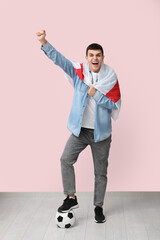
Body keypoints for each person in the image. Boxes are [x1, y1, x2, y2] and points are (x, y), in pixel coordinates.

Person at [36, 30, 121, 223]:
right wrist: (44, 42)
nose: (95, 58)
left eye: (98, 55)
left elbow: (113, 104)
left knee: (100, 173)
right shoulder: (79, 73)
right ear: (87, 58)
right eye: (91, 55)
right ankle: (71, 198)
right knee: (65, 160)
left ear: (102, 58)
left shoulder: (110, 76)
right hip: (80, 131)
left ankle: (98, 207)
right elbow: (60, 60)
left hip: (101, 135)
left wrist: (96, 94)